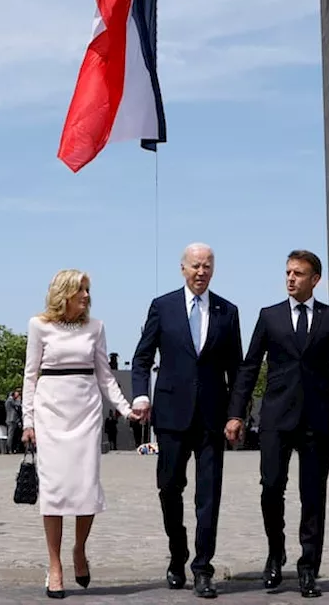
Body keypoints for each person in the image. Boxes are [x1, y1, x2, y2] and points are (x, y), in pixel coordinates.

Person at [226, 250, 329, 599]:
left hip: (316, 419)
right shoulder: (269, 317)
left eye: (298, 273)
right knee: (271, 487)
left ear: (314, 279)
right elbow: (248, 366)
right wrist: (236, 412)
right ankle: (276, 553)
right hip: (276, 418)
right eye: (288, 272)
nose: (290, 278)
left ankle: (308, 568)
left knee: (313, 495)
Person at [131, 243, 243, 600]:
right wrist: (140, 395)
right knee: (169, 487)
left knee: (208, 495)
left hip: (212, 417)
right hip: (171, 414)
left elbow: (237, 369)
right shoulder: (162, 307)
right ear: (182, 268)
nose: (201, 272)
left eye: (207, 266)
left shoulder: (228, 311)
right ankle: (177, 551)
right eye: (195, 265)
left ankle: (202, 568)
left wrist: (236, 412)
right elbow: (142, 356)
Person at [22, 269, 138, 600]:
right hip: (50, 412)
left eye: (88, 290)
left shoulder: (96, 327)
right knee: (55, 491)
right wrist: (28, 420)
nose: (87, 296)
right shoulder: (38, 325)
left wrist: (126, 409)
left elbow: (105, 376)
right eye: (81, 290)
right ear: (65, 294)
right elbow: (31, 375)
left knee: (86, 487)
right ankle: (55, 565)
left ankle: (79, 550)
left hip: (86, 411)